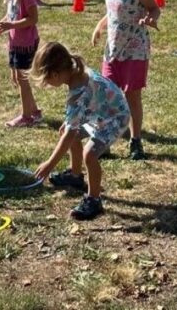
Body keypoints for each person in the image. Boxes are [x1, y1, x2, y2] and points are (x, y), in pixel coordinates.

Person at [31, 41, 130, 220]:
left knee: (89, 154)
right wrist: (71, 123)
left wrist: (49, 164)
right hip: (102, 113)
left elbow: (70, 133)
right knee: (69, 132)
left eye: (46, 80)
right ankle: (76, 176)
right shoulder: (75, 70)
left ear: (55, 74)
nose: (46, 85)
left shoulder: (78, 93)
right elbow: (76, 122)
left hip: (115, 118)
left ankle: (94, 200)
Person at [91, 0, 160, 160]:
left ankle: (136, 140)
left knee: (132, 96)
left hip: (135, 50)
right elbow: (111, 12)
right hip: (112, 50)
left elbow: (154, 7)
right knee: (106, 95)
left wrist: (151, 18)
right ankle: (106, 140)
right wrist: (99, 27)